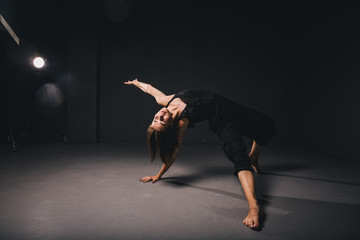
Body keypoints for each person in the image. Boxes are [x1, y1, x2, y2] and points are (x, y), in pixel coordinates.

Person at [124, 78, 277, 229]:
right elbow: (173, 152)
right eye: (162, 121)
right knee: (239, 158)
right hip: (222, 121)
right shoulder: (181, 124)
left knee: (266, 126)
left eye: (156, 118)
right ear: (170, 126)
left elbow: (149, 88)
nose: (160, 116)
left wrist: (136, 83)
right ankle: (254, 207)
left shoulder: (164, 101)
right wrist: (159, 174)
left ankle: (254, 156)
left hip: (229, 106)